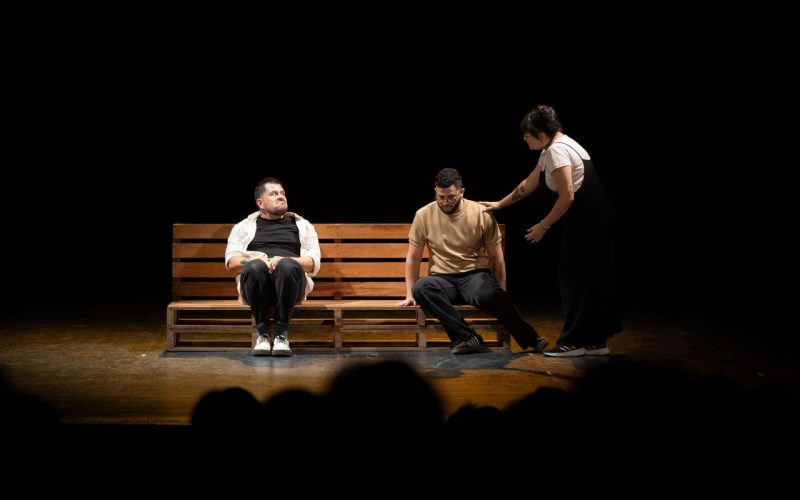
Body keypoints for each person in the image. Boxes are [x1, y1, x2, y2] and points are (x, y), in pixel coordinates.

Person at [480, 105, 622, 356]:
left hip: (589, 222)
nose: (524, 139)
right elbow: (529, 183)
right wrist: (500, 204)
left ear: (542, 135)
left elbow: (567, 196)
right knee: (589, 281)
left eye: (527, 135)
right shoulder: (555, 147)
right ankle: (595, 341)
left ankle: (573, 343)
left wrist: (543, 225)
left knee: (573, 279)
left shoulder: (557, 151)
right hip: (593, 220)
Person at [397, 168, 549, 355]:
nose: (445, 202)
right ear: (435, 191)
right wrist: (409, 293)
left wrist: (502, 291)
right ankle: (467, 337)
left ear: (461, 192)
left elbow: (497, 258)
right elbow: (414, 257)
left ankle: (531, 338)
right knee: (421, 288)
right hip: (442, 279)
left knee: (492, 295)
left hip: (474, 276)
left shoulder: (480, 213)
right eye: (441, 197)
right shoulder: (423, 214)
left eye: (450, 197)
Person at [224, 177, 321, 356]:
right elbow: (232, 263)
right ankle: (262, 334)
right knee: (255, 266)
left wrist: (285, 260)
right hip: (256, 283)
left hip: (291, 282)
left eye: (282, 193)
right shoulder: (242, 227)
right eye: (274, 194)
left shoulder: (303, 225)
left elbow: (313, 263)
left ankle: (281, 334)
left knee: (286, 265)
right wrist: (262, 260)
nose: (281, 197)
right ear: (260, 203)